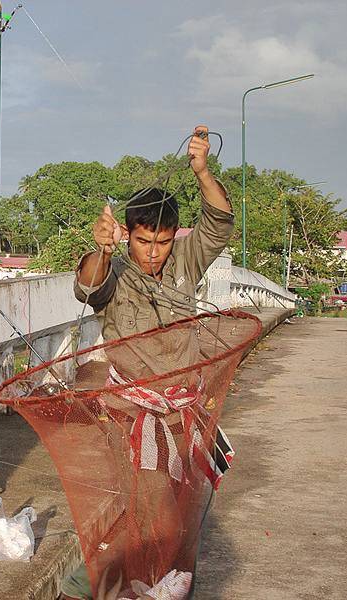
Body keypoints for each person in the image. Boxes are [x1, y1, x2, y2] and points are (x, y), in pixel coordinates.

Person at [59, 126, 234, 600]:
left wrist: (202, 171)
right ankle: (92, 587)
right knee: (150, 508)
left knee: (188, 508)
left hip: (186, 407)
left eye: (161, 241)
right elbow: (87, 287)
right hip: (132, 409)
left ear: (174, 235)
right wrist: (102, 247)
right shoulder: (114, 268)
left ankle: (163, 587)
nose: (153, 253)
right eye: (142, 241)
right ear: (128, 234)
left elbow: (220, 220)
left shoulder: (186, 258)